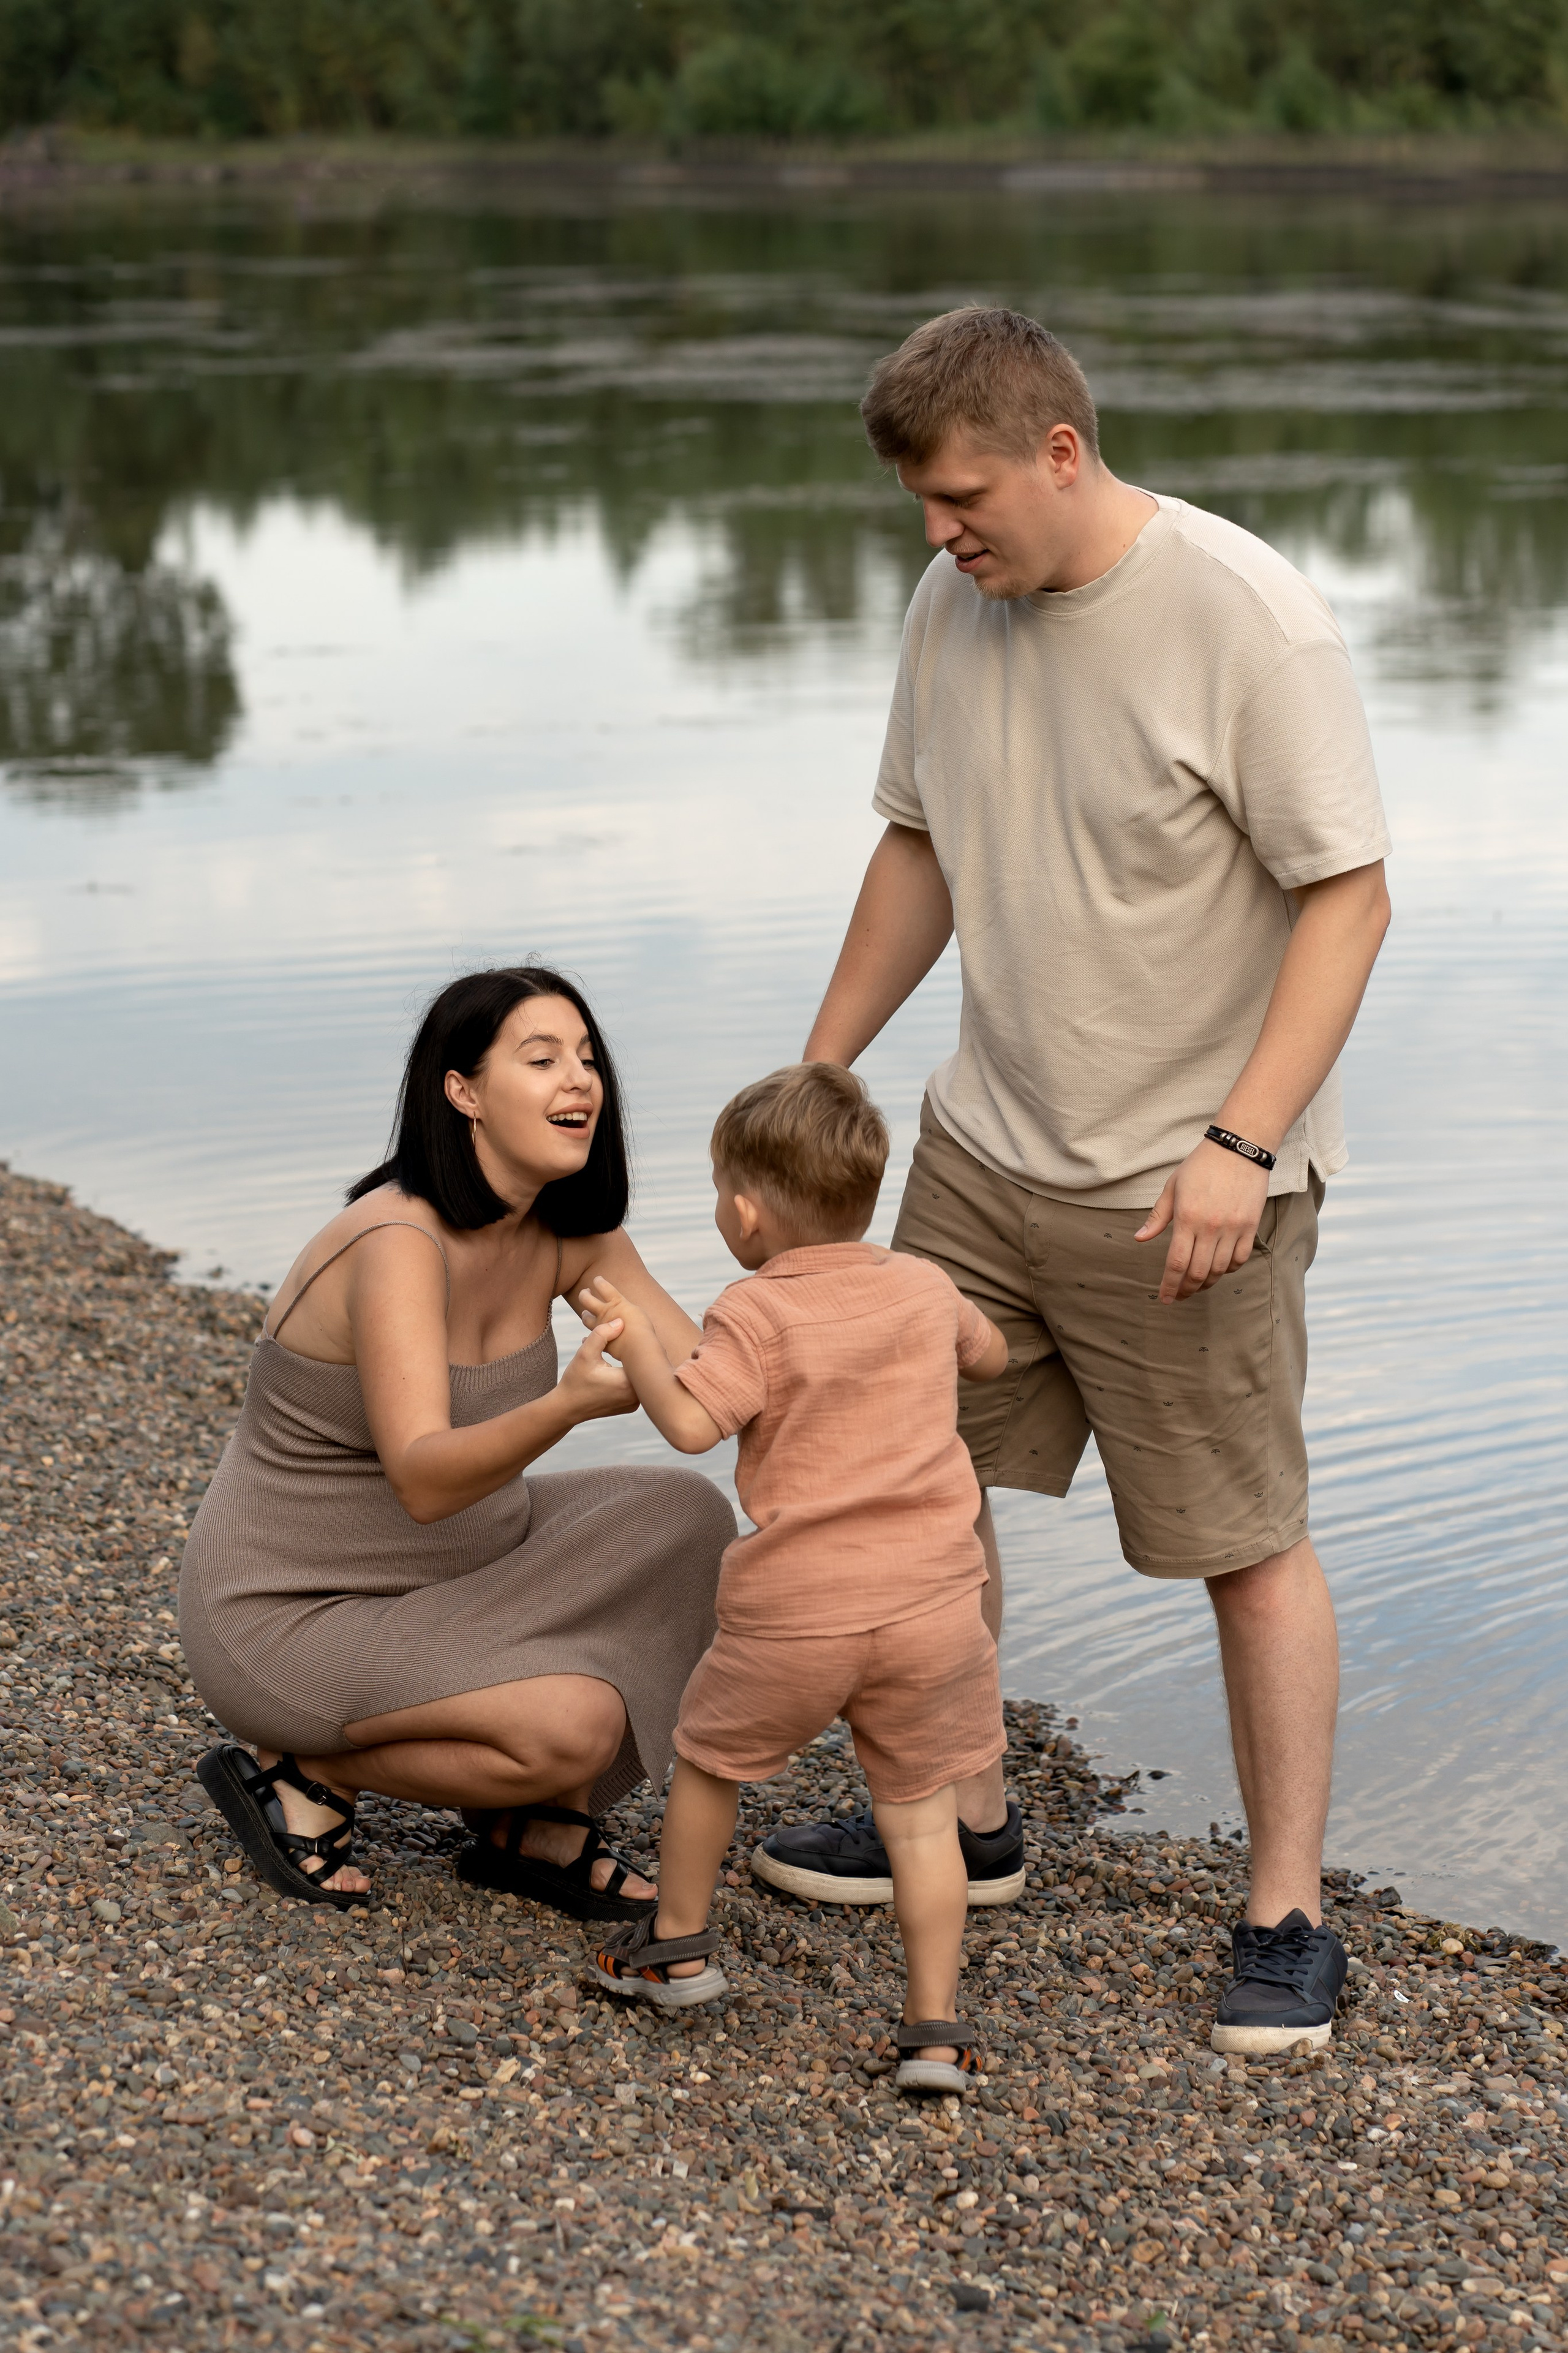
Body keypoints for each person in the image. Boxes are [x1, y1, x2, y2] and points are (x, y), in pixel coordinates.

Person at [752, 306, 1392, 2058]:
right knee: (918, 1490)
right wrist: (826, 1070)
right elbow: (921, 843)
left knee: (1242, 1542)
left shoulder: (1248, 621)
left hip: (1190, 1182)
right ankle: (965, 1816)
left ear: (1059, 450)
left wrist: (1239, 1148)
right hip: (986, 1145)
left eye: (962, 497)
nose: (939, 533)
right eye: (918, 506)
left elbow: (1352, 899)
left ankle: (1285, 1911)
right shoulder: (951, 598)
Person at [181, 966, 735, 1918]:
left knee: (691, 1520)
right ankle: (302, 1767)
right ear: (463, 1091)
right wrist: (561, 1407)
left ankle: (531, 1826)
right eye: (543, 1058)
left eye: (588, 1058)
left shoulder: (569, 1233)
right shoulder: (397, 1244)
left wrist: (851, 1323)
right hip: (293, 1607)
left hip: (463, 1570)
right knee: (575, 1725)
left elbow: (709, 1385)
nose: (581, 1081)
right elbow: (426, 1479)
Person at [576, 1063, 1011, 2093]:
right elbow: (989, 1358)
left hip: (799, 1613)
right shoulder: (923, 1283)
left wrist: (635, 1344)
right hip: (936, 1608)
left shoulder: (754, 1312)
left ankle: (677, 1946)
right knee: (918, 1810)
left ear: (743, 1209)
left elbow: (690, 1423)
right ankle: (935, 2031)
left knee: (712, 1764)